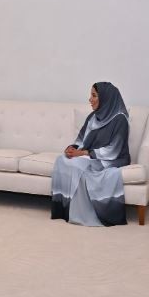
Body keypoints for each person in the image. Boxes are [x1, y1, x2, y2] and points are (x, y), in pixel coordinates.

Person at [50, 82, 130, 226]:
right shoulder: (93, 116)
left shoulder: (120, 119)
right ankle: (64, 210)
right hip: (88, 155)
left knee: (78, 165)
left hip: (109, 159)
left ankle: (81, 213)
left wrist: (83, 153)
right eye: (90, 95)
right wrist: (72, 148)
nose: (90, 99)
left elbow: (113, 150)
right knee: (61, 160)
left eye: (94, 95)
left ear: (106, 98)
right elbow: (81, 139)